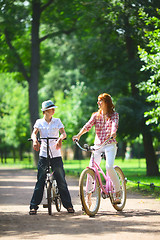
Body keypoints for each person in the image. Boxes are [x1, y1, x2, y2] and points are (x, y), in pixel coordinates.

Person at [72, 93, 121, 204]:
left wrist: (113, 132)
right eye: (98, 101)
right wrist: (78, 135)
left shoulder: (114, 115)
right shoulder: (96, 116)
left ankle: (117, 192)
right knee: (90, 169)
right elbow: (87, 126)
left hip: (109, 144)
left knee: (109, 167)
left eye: (100, 101)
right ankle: (88, 196)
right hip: (97, 146)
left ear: (106, 103)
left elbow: (114, 124)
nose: (98, 103)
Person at [29, 100, 75, 215]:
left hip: (56, 155)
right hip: (44, 154)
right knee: (40, 180)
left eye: (54, 108)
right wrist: (35, 140)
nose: (54, 110)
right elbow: (34, 133)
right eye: (51, 109)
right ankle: (33, 206)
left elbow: (64, 134)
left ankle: (68, 205)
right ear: (45, 111)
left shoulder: (57, 121)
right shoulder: (39, 122)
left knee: (61, 180)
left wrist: (60, 138)